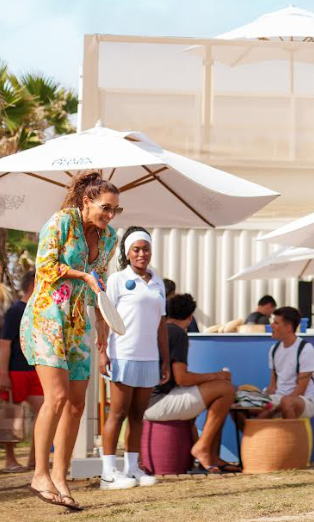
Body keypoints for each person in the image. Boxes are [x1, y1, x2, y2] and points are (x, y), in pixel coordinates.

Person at [21, 171, 119, 509]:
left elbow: (100, 283)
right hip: (48, 316)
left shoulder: (110, 238)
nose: (109, 216)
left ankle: (61, 478)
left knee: (77, 403)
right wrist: (83, 276)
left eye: (114, 211)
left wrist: (103, 325)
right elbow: (45, 267)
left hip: (80, 324)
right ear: (86, 201)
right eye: (105, 208)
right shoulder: (62, 221)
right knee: (58, 396)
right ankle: (39, 474)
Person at [99, 227, 169, 490]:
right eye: (136, 249)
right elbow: (104, 316)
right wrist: (103, 351)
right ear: (127, 253)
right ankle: (108, 473)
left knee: (138, 415)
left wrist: (165, 360)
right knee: (117, 413)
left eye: (146, 249)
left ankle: (133, 469)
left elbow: (162, 324)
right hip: (122, 356)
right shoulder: (117, 280)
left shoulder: (158, 281)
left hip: (149, 358)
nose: (142, 254)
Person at [144, 294, 238, 473]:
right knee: (226, 390)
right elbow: (182, 378)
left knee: (213, 396)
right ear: (190, 317)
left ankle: (212, 455)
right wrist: (218, 376)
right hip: (158, 403)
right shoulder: (178, 333)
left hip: (147, 401)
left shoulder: (160, 329)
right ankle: (202, 448)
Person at [1, 272, 43, 473]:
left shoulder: (40, 310)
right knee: (11, 415)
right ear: (33, 285)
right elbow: (4, 344)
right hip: (15, 370)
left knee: (43, 411)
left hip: (36, 369)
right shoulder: (15, 311)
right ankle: (10, 460)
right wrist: (3, 373)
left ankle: (35, 460)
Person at [258, 307, 314, 420]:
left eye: (276, 323)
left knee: (287, 403)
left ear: (288, 327)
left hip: (303, 401)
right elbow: (272, 387)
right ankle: (255, 437)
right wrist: (255, 400)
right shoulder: (274, 349)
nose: (271, 325)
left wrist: (272, 411)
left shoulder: (306, 350)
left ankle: (291, 437)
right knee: (241, 404)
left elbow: (300, 391)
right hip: (278, 398)